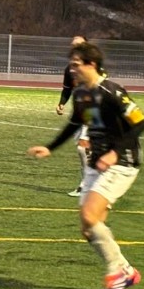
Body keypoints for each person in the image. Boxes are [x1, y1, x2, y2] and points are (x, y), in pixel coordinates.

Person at [27, 41, 144, 289]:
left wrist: (115, 152)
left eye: (76, 65)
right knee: (87, 227)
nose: (72, 70)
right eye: (71, 65)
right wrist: (51, 148)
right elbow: (73, 125)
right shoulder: (81, 94)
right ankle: (127, 269)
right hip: (97, 164)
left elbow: (139, 124)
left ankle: (116, 271)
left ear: (91, 64)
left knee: (91, 216)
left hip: (122, 162)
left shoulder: (112, 92)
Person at [57, 35, 94, 197]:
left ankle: (87, 185)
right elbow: (67, 89)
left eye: (78, 45)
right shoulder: (69, 69)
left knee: (82, 146)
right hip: (79, 113)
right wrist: (61, 103)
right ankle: (90, 182)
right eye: (73, 46)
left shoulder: (94, 67)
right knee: (83, 150)